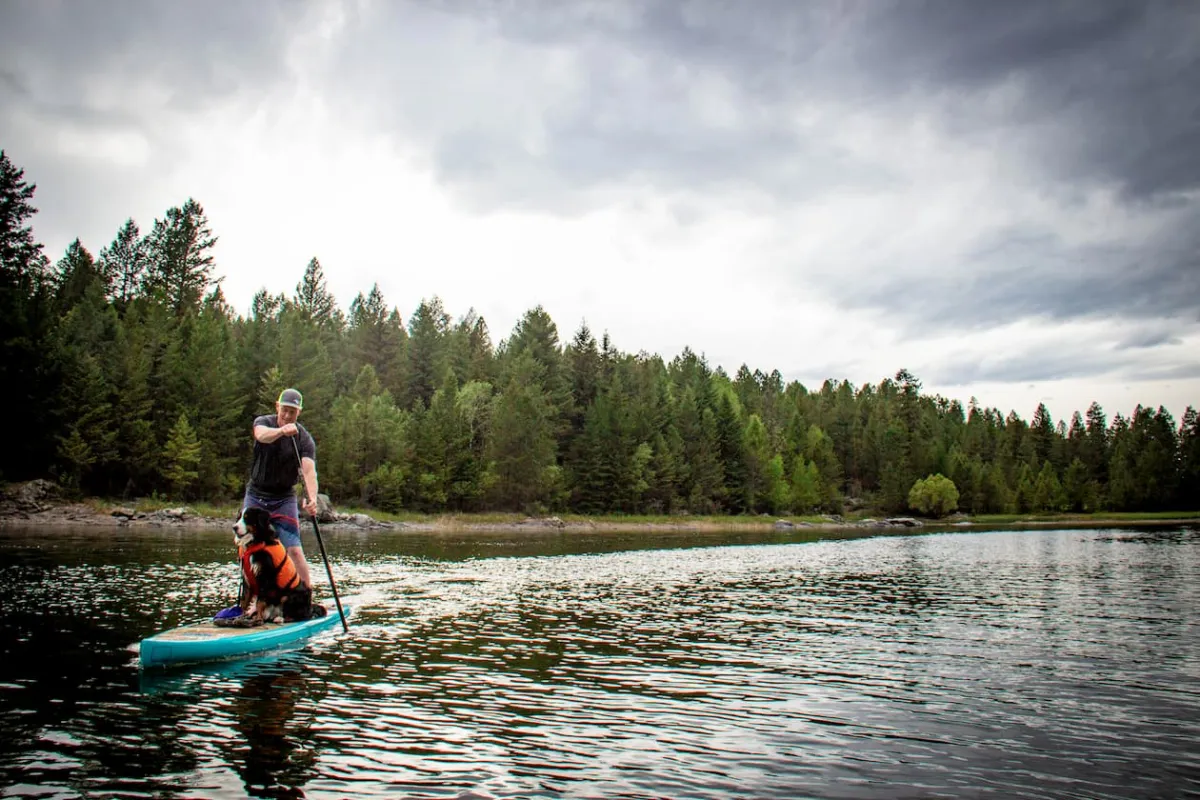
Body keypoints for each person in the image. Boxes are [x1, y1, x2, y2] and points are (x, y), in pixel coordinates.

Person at [242, 388, 319, 589]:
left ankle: (306, 596)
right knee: (248, 548)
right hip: (256, 496)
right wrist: (281, 431)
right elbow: (261, 436)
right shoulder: (263, 422)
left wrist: (312, 498)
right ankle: (251, 600)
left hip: (284, 499)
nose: (287, 415)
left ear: (298, 412)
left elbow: (309, 471)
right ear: (277, 407)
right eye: (284, 410)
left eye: (292, 412)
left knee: (293, 551)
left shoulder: (304, 438)